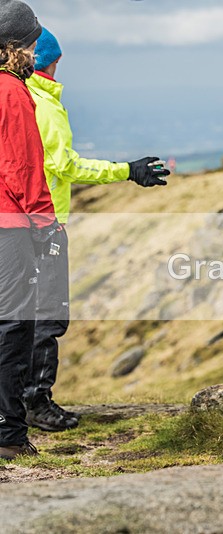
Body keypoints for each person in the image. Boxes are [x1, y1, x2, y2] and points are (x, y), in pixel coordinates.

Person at [22, 27, 170, 432]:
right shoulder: (43, 104)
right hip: (44, 224)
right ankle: (36, 402)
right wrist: (127, 171)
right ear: (51, 61)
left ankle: (16, 402)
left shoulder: (16, 96)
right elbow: (65, 165)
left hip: (18, 223)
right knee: (48, 317)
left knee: (20, 316)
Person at [0, 0, 56, 460]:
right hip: (11, 226)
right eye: (32, 44)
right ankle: (9, 435)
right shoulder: (12, 93)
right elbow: (23, 169)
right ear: (14, 46)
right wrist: (46, 226)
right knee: (14, 327)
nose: (36, 53)